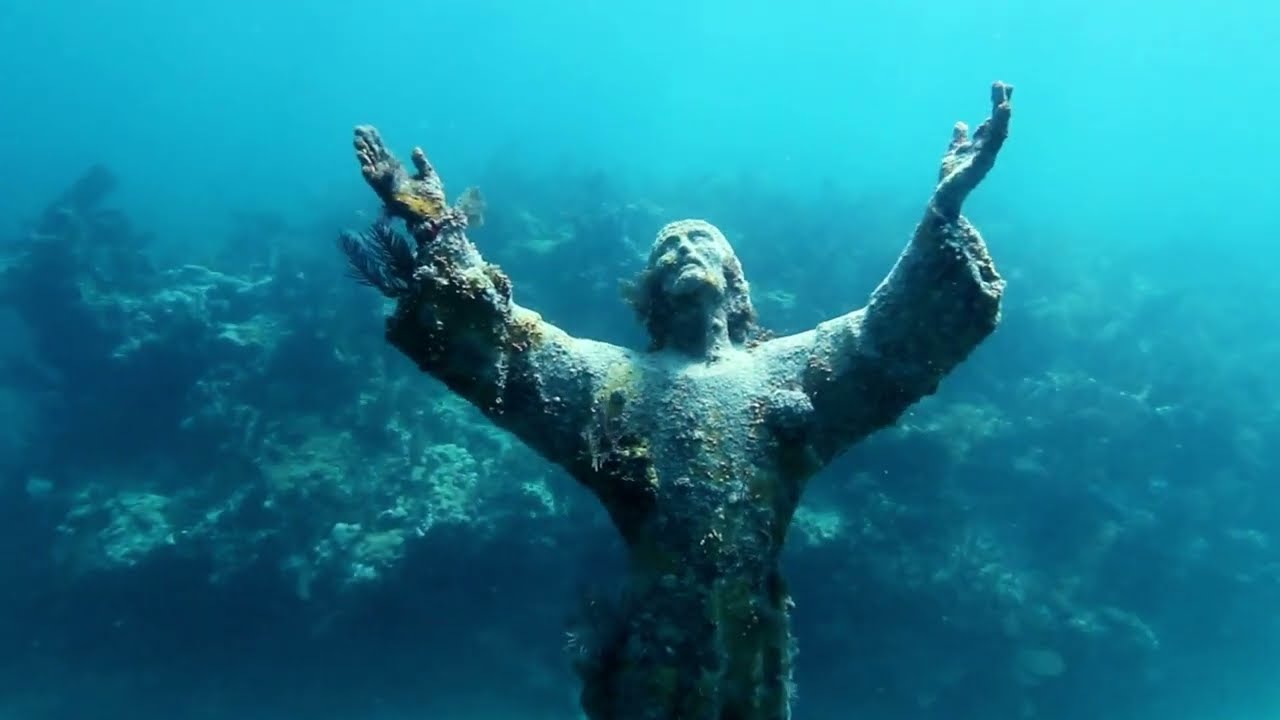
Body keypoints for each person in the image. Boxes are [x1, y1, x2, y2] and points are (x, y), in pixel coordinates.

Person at [339, 81, 1013, 720]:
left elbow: (885, 338)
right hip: (652, 662)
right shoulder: (611, 382)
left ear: (732, 275)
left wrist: (942, 212)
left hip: (753, 657)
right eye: (668, 245)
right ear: (652, 287)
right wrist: (435, 229)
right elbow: (511, 352)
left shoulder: (791, 372)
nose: (684, 247)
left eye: (701, 240)